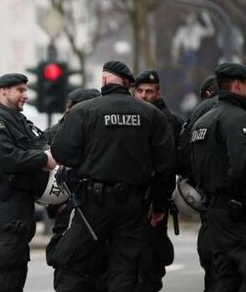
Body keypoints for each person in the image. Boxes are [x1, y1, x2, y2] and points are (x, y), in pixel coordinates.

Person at [49, 61, 174, 292]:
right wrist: (159, 204)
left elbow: (61, 152)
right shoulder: (151, 114)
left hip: (92, 203)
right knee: (124, 267)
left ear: (104, 80)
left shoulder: (84, 111)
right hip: (134, 204)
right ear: (129, 84)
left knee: (72, 258)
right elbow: (165, 165)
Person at [0, 73, 56, 292]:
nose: (25, 95)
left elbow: (39, 143)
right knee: (6, 270)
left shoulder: (17, 120)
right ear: (3, 91)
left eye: (26, 90)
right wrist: (43, 159)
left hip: (21, 203)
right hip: (7, 202)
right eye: (20, 90)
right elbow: (8, 158)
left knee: (16, 268)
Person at [190, 62, 246, 292]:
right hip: (242, 214)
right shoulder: (238, 119)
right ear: (237, 85)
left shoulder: (202, 120)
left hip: (215, 213)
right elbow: (245, 166)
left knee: (226, 278)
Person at [42, 88, 105, 292]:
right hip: (70, 210)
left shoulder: (101, 132)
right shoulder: (55, 133)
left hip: (99, 210)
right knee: (69, 267)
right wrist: (56, 203)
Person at [132, 70, 181, 292]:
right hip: (130, 200)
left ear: (158, 93)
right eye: (139, 91)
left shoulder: (169, 121)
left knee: (150, 263)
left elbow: (169, 166)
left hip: (153, 201)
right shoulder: (130, 117)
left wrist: (159, 203)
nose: (143, 96)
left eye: (148, 91)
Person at [177, 75, 219, 292]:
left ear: (207, 95)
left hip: (213, 202)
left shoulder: (200, 113)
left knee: (214, 265)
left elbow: (183, 155)